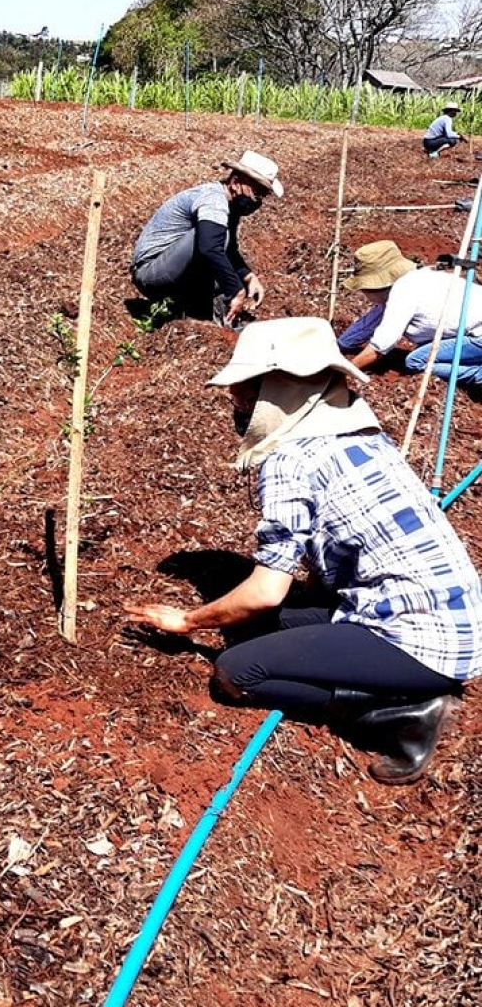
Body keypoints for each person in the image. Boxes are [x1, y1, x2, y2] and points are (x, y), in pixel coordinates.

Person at [125, 317, 482, 784]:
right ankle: (392, 687)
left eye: (244, 393)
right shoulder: (360, 435)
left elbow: (267, 591)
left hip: (423, 643)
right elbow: (326, 552)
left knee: (237, 670)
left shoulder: (291, 459)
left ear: (276, 391)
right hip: (452, 620)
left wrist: (188, 621)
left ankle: (398, 715)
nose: (237, 404)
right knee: (254, 629)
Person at [130, 150, 283, 330]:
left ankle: (204, 313)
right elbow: (210, 247)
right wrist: (236, 290)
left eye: (262, 196)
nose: (257, 201)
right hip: (151, 273)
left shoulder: (228, 206)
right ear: (235, 183)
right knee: (214, 241)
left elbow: (229, 251)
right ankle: (220, 319)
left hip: (171, 270)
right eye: (256, 193)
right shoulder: (213, 200)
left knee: (221, 248)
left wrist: (248, 277)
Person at [339, 239, 482, 386]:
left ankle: (478, 375)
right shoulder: (417, 278)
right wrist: (338, 347)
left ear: (375, 285)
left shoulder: (403, 292)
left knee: (416, 361)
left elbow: (379, 347)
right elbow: (366, 325)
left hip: (479, 337)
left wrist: (344, 372)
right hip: (475, 334)